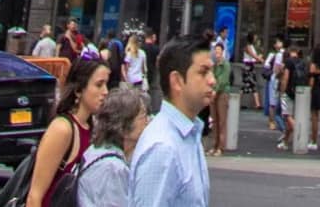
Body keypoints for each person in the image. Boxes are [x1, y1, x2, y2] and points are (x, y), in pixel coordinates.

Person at [127, 36, 213, 207]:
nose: (212, 80)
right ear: (177, 81)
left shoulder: (189, 133)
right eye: (203, 72)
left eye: (211, 71)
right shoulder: (163, 148)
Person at [27, 58, 108, 207]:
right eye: (99, 85)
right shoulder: (62, 129)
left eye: (106, 84)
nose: (105, 92)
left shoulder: (92, 128)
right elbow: (34, 196)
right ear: (78, 90)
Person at [75, 87, 147, 207]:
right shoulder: (113, 168)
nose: (147, 121)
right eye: (143, 116)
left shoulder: (97, 150)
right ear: (124, 126)